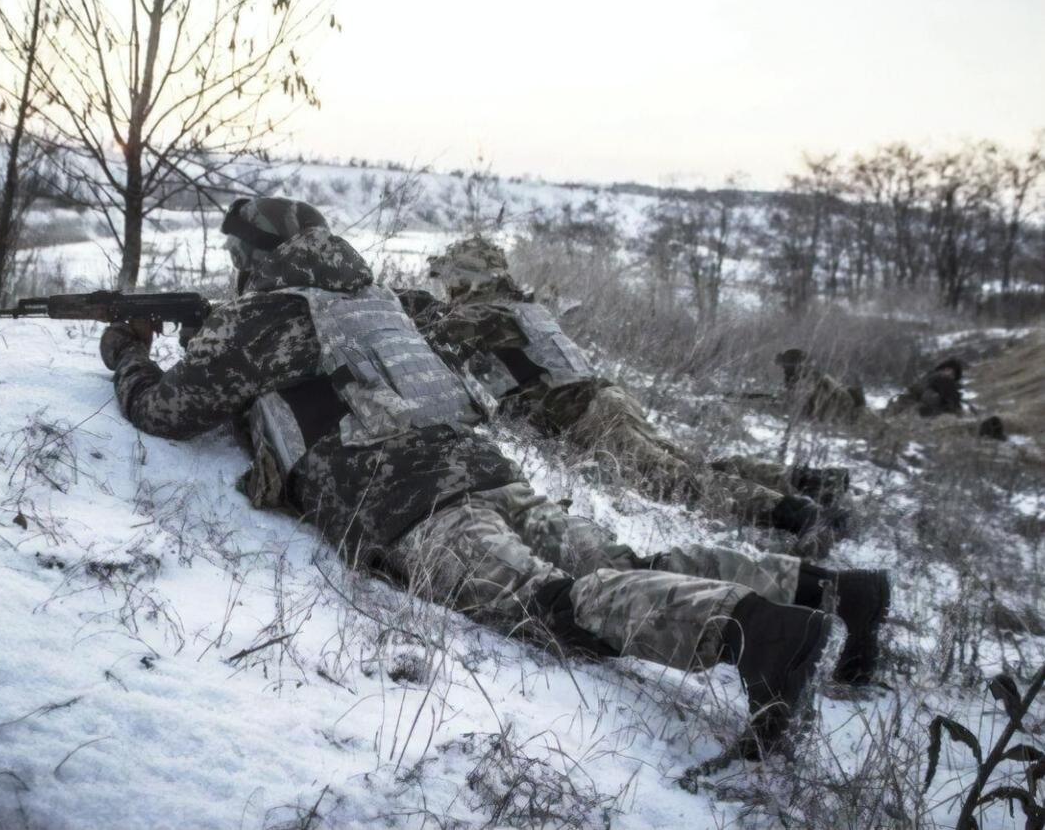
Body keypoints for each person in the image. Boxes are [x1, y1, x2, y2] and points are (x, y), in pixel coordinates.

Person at [99, 198, 889, 756]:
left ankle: (756, 635)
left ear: (253, 258)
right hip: (486, 470)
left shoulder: (268, 316)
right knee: (623, 563)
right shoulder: (375, 299)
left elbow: (168, 409)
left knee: (550, 606)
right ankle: (828, 590)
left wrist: (128, 354)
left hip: (411, 501)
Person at [398, 237, 851, 547]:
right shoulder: (520, 305)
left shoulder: (484, 312)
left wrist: (399, 305)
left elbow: (433, 338)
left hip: (586, 415)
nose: (446, 287)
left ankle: (796, 514)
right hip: (605, 400)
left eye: (450, 278)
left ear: (467, 279)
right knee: (687, 466)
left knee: (679, 483)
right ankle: (807, 482)